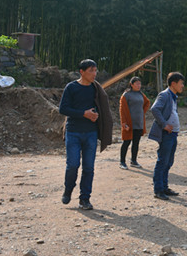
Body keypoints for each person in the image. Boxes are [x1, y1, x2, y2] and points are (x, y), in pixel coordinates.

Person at [59, 59, 113, 210]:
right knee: (73, 165)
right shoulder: (71, 87)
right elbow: (63, 109)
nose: (94, 74)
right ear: (82, 72)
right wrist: (84, 114)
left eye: (95, 71)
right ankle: (68, 190)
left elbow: (102, 108)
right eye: (91, 71)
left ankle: (85, 199)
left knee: (89, 168)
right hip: (74, 132)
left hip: (91, 133)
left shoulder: (96, 89)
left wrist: (95, 116)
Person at [148, 72, 185, 200]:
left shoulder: (173, 96)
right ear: (173, 83)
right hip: (166, 133)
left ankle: (164, 187)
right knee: (162, 161)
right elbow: (154, 109)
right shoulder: (164, 95)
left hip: (173, 134)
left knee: (168, 162)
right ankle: (158, 190)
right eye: (181, 83)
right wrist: (164, 124)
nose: (182, 86)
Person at [119, 76, 151, 169]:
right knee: (126, 142)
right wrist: (124, 122)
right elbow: (122, 109)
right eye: (136, 83)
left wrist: (142, 112)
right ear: (131, 84)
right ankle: (122, 162)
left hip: (139, 123)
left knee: (136, 143)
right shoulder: (126, 95)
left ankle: (133, 161)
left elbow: (147, 103)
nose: (138, 85)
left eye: (139, 83)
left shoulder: (141, 94)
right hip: (129, 123)